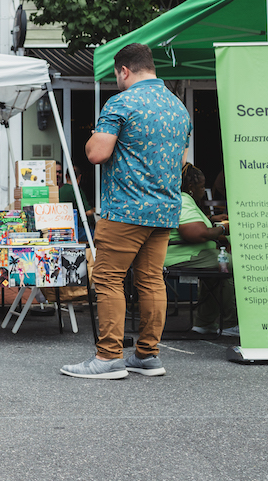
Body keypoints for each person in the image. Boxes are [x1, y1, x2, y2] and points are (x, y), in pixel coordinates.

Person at [61, 43, 191, 380]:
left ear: (124, 70)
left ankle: (108, 357)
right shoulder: (178, 107)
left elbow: (97, 154)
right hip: (164, 209)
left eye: (116, 75)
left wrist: (93, 138)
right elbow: (181, 162)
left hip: (125, 208)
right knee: (151, 280)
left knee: (108, 278)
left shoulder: (121, 102)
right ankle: (147, 355)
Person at [164, 164, 238, 336]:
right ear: (191, 187)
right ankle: (231, 323)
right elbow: (196, 233)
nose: (204, 191)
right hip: (181, 255)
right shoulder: (183, 200)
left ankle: (205, 323)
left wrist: (211, 219)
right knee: (231, 264)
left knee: (217, 265)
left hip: (186, 253)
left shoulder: (182, 199)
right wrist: (223, 228)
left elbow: (190, 222)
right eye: (202, 186)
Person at [58, 164, 94, 241]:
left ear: (66, 176)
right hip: (75, 230)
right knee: (98, 235)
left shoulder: (60, 190)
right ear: (80, 177)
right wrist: (95, 210)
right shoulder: (76, 191)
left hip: (60, 229)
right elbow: (87, 212)